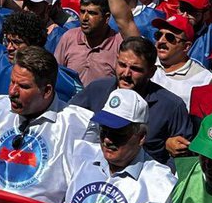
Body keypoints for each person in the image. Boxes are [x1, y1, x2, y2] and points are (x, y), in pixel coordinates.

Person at [0, 46, 91, 203]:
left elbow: (80, 195)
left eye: (23, 86)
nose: (12, 92)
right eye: (12, 82)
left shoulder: (79, 125)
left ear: (47, 91)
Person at [63, 88, 177, 203]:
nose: (107, 140)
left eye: (118, 133)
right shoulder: (79, 156)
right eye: (104, 130)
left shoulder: (162, 183)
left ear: (141, 137)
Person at [71, 36, 191, 166]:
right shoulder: (97, 89)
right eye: (122, 65)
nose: (126, 74)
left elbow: (183, 162)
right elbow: (68, 121)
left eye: (136, 69)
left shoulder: (171, 106)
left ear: (151, 71)